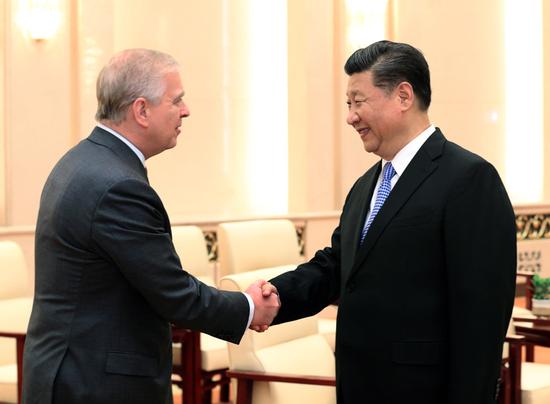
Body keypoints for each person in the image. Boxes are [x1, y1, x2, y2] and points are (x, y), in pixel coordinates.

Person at [264, 40, 516, 403]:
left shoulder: (469, 179)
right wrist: (268, 299)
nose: (350, 116)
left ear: (403, 96)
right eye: (347, 105)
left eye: (358, 102)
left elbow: (481, 320)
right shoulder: (366, 186)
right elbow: (337, 268)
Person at [22, 48, 279, 404]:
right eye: (177, 101)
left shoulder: (82, 160)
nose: (186, 110)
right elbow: (174, 294)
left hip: (71, 373)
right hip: (96, 384)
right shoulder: (117, 185)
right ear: (141, 110)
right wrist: (248, 307)